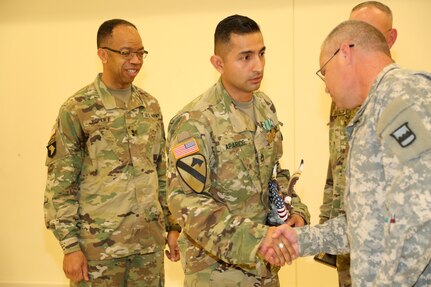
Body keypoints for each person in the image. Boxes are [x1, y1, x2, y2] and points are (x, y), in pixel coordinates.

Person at [271, 20, 431, 286]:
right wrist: (302, 240)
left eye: (324, 72)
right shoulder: (372, 110)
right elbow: (367, 222)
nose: (325, 86)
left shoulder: (402, 95)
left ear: (345, 53)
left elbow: (421, 215)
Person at [166, 14, 310, 286]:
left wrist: (295, 212)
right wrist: (256, 238)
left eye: (262, 54)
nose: (258, 66)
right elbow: (186, 202)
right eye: (245, 57)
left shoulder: (265, 107)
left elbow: (276, 172)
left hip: (266, 267)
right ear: (218, 63)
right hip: (217, 273)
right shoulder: (195, 121)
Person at [44, 19, 181, 286]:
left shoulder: (150, 106)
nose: (136, 60)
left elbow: (162, 172)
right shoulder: (77, 109)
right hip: (98, 252)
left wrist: (172, 226)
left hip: (148, 248)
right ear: (103, 54)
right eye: (127, 52)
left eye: (141, 52)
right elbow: (60, 185)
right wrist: (70, 247)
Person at [317, 2, 397, 286]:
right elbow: (336, 163)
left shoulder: (402, 100)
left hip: (389, 253)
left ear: (389, 39)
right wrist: (325, 225)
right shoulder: (345, 95)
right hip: (349, 233)